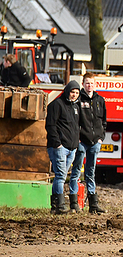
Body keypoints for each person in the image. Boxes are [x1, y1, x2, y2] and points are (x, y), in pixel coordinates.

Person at [69, 73, 107, 214]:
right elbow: (74, 120)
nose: (89, 85)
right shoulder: (78, 100)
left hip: (95, 142)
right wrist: (77, 137)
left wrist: (101, 137)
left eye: (91, 83)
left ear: (95, 84)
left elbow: (104, 121)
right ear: (83, 84)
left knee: (91, 172)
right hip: (81, 142)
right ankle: (74, 204)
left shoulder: (100, 100)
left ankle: (93, 205)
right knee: (76, 171)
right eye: (86, 83)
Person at [45, 80, 81, 214]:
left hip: (72, 148)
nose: (74, 95)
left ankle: (55, 206)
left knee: (61, 176)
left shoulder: (75, 107)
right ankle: (59, 206)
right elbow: (50, 125)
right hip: (59, 147)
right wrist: (57, 144)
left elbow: (76, 126)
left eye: (77, 93)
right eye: (72, 92)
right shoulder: (56, 105)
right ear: (67, 91)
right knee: (60, 176)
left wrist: (76, 145)